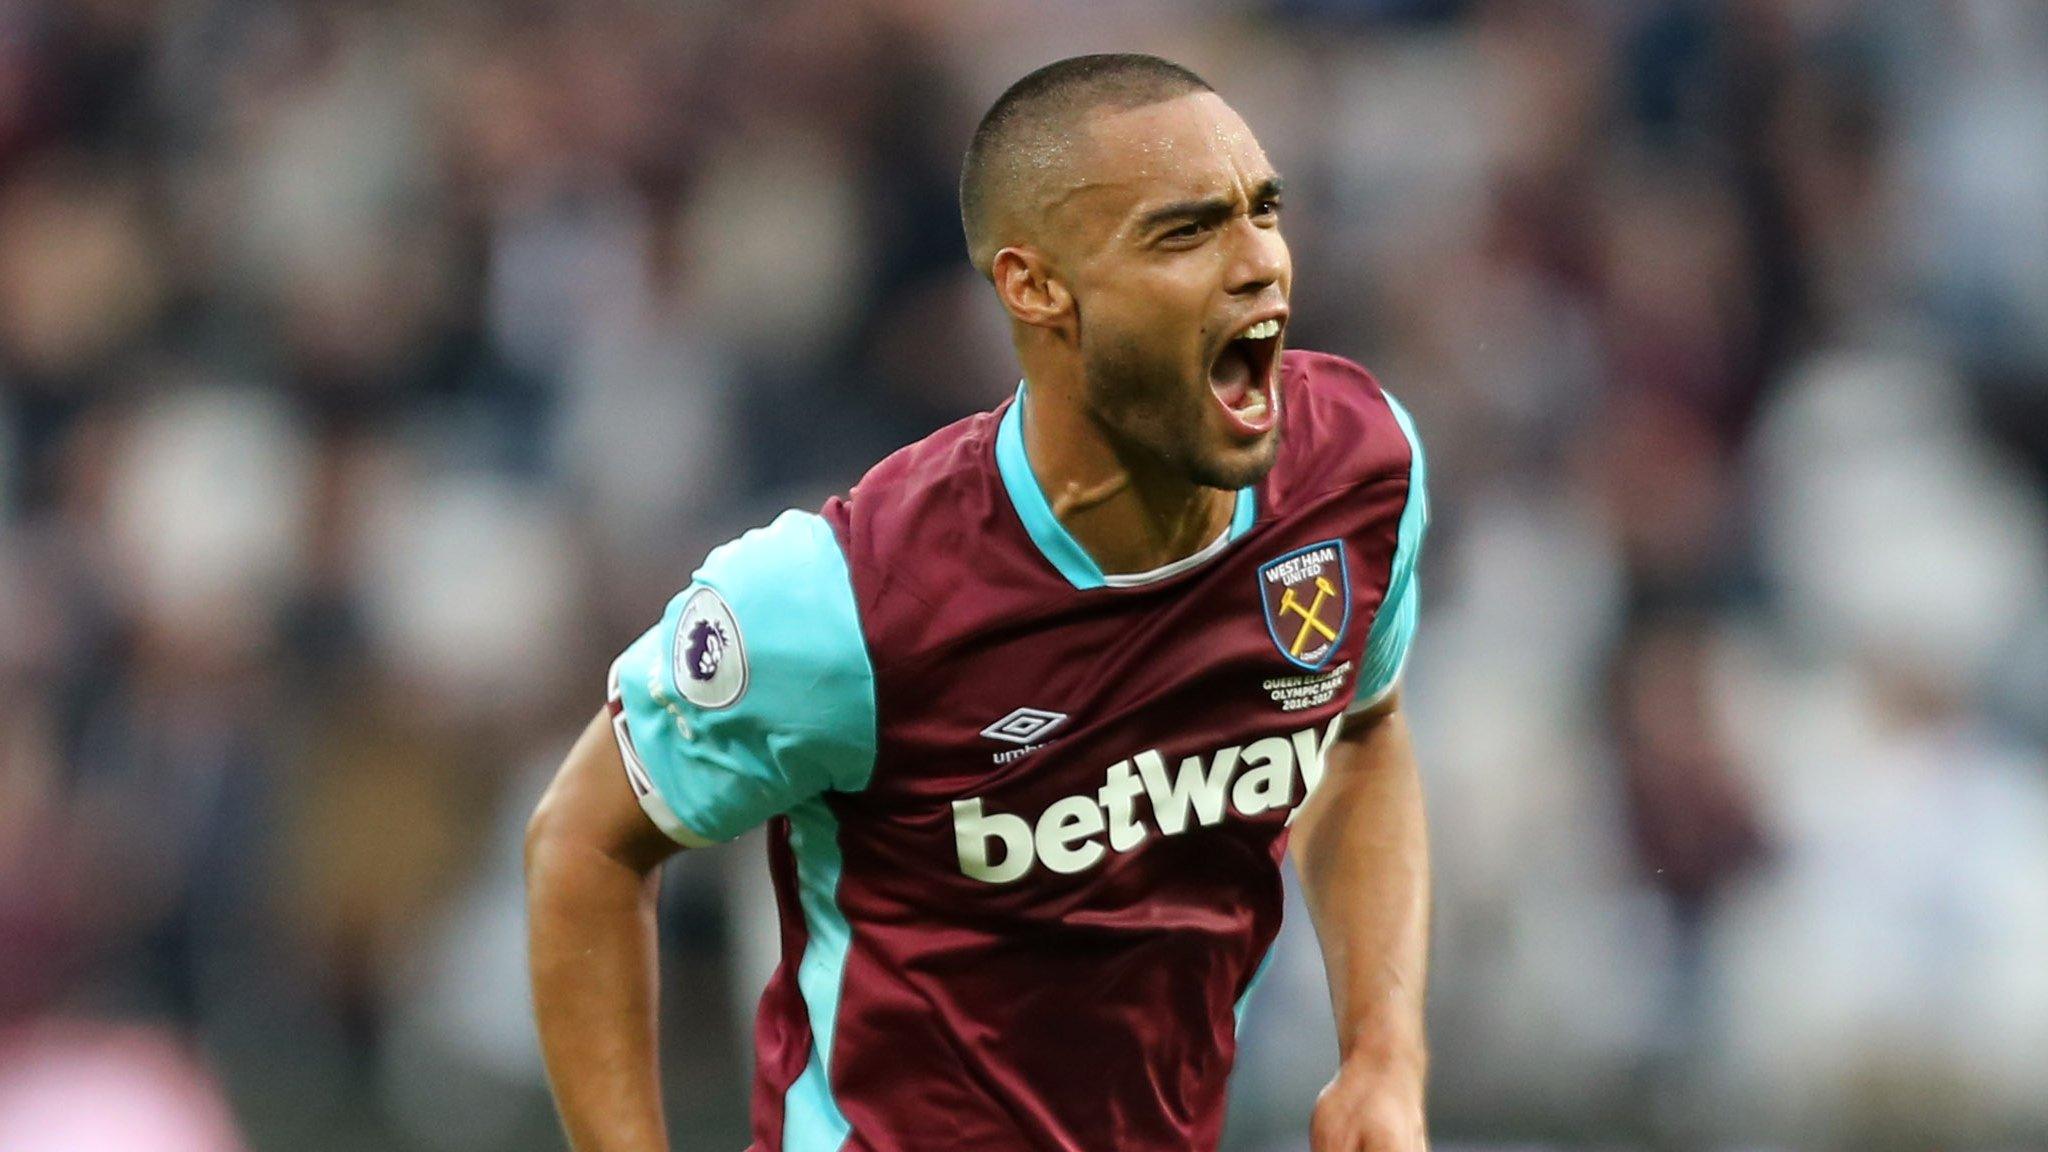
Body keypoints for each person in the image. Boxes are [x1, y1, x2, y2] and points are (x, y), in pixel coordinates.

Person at [525, 53, 1432, 1152]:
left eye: (1262, 211)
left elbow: (1364, 731)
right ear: (1036, 287)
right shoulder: (842, 599)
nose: (1260, 266)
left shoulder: (1355, 476)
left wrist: (1382, 1052)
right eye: (1185, 232)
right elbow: (583, 841)